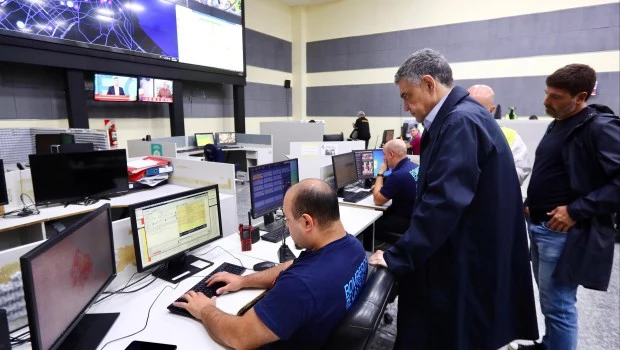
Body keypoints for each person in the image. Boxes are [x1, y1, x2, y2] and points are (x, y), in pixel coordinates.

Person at [368, 48, 538, 350]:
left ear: (429, 83)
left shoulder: (459, 123)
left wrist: (396, 256)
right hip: (472, 249)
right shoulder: (464, 116)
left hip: (465, 259)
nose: (406, 106)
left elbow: (443, 203)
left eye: (407, 96)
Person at [173, 179, 368, 349]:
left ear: (307, 222)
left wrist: (204, 309)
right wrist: (243, 281)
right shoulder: (353, 247)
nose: (286, 225)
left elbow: (240, 337)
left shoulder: (300, 286)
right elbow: (292, 265)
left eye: (287, 219)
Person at [518, 64, 620, 350]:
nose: (546, 102)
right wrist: (530, 203)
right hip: (540, 225)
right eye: (546, 93)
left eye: (556, 96)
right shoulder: (558, 122)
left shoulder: (599, 127)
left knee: (559, 304)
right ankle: (550, 343)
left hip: (561, 232)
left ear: (581, 96)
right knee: (549, 299)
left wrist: (576, 210)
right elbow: (554, 171)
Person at [468, 84, 532, 185]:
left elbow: (519, 174)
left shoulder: (510, 136)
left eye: (479, 109)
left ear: (492, 109)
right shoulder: (453, 133)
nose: (472, 114)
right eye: (467, 108)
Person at [372, 139, 419, 235]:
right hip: (416, 217)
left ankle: (370, 249)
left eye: (384, 154)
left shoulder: (398, 175)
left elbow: (377, 201)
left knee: (371, 223)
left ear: (391, 155)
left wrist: (380, 173)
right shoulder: (414, 166)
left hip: (405, 220)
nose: (384, 158)